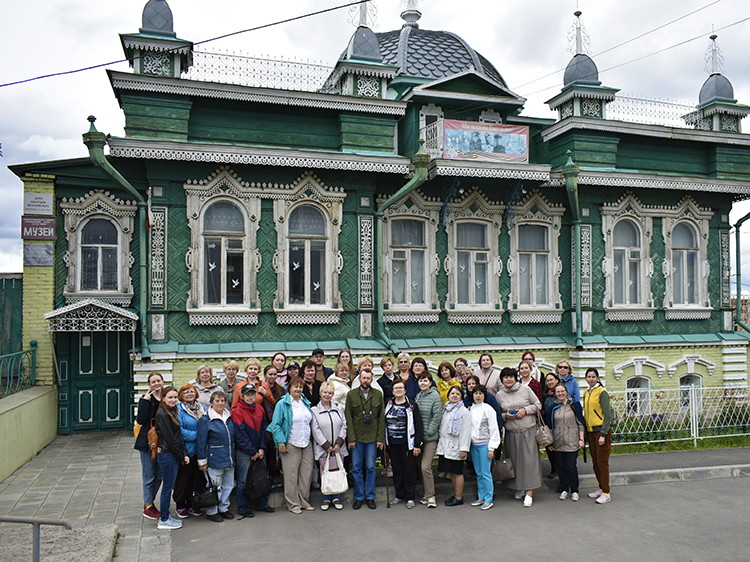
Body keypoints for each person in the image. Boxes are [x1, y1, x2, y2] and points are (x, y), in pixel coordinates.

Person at [496, 367, 543, 508]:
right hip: (511, 432)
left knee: (529, 462)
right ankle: (520, 487)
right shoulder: (499, 394)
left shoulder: (525, 389)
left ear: (515, 377)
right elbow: (498, 414)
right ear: (502, 379)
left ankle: (529, 492)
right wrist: (506, 416)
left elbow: (538, 405)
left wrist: (525, 410)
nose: (509, 379)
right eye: (506, 377)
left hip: (528, 430)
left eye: (511, 376)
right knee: (515, 463)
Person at [268, 376, 315, 514]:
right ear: (289, 388)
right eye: (295, 386)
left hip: (306, 442)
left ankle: (304, 501)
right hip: (290, 443)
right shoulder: (282, 404)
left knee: (306, 474)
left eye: (300, 387)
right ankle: (293, 504)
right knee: (291, 475)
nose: (298, 389)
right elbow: (275, 425)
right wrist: (281, 442)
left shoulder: (305, 402)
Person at [231, 383, 274, 518]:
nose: (250, 397)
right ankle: (243, 507)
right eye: (247, 395)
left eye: (252, 394)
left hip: (260, 451)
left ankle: (262, 504)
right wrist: (252, 451)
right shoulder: (237, 411)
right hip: (245, 453)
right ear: (242, 396)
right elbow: (240, 434)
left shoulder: (260, 409)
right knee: (243, 481)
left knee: (261, 477)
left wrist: (262, 448)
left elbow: (264, 430)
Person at [344, 370, 385, 510]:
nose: (366, 380)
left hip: (373, 438)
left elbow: (381, 419)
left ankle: (370, 496)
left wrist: (380, 438)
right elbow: (348, 418)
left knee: (371, 467)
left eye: (368, 378)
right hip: (357, 437)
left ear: (372, 379)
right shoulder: (352, 395)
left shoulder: (378, 395)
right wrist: (351, 438)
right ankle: (359, 496)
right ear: (359, 379)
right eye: (364, 378)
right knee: (356, 467)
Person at [197, 390, 236, 522]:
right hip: (215, 458)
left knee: (228, 485)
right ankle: (212, 511)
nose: (220, 403)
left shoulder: (229, 417)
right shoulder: (206, 419)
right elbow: (201, 441)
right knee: (215, 486)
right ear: (211, 403)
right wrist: (202, 461)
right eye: (217, 401)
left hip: (229, 457)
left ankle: (223, 508)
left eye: (222, 401)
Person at [154, 386, 190, 530]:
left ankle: (167, 516)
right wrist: (181, 456)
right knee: (167, 488)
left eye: (175, 397)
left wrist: (184, 453)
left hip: (172, 454)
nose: (173, 400)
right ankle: (163, 519)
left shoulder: (172, 412)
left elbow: (178, 437)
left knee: (169, 487)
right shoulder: (162, 414)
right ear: (163, 398)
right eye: (170, 397)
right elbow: (170, 439)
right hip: (167, 455)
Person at [385, 379, 423, 508]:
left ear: (405, 390)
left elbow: (418, 425)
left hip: (407, 444)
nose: (399, 390)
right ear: (392, 391)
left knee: (409, 470)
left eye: (401, 388)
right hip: (393, 443)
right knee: (397, 470)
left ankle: (410, 497)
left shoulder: (411, 405)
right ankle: (399, 495)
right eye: (396, 388)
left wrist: (417, 444)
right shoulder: (388, 404)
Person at [311, 381, 348, 511]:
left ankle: (336, 497)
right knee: (325, 473)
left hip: (338, 448)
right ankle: (326, 498)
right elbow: (315, 430)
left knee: (337, 472)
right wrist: (326, 445)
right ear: (320, 393)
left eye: (330, 393)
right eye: (325, 392)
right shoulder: (315, 411)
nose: (327, 395)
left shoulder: (338, 408)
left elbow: (344, 425)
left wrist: (338, 443)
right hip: (324, 449)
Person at [547, 383, 585, 502]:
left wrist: (581, 439)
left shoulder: (574, 405)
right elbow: (549, 426)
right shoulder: (553, 407)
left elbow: (581, 423)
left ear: (566, 391)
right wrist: (550, 443)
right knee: (561, 468)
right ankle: (564, 489)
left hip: (572, 442)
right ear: (555, 393)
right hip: (558, 443)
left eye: (562, 391)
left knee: (571, 467)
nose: (560, 394)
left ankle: (574, 490)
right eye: (558, 392)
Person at [173, 384, 206, 519]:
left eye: (192, 391)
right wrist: (199, 435)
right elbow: (179, 430)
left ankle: (192, 504)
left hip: (200, 451)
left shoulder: (201, 407)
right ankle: (180, 505)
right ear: (181, 395)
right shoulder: (179, 409)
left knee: (196, 480)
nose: (189, 394)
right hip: (187, 450)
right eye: (186, 392)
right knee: (183, 479)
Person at [437, 386, 472, 506]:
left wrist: (464, 449)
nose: (455, 396)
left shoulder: (464, 411)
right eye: (452, 393)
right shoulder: (446, 409)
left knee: (457, 472)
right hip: (447, 446)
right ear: (448, 395)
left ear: (461, 397)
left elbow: (466, 432)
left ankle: (459, 497)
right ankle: (456, 493)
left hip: (457, 447)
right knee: (451, 471)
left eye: (458, 394)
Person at [135, 372, 163, 521]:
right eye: (153, 382)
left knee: (159, 476)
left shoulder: (166, 398)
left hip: (163, 444)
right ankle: (148, 506)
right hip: (148, 443)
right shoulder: (146, 399)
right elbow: (141, 419)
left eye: (158, 380)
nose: (156, 384)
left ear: (162, 381)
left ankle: (149, 503)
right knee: (149, 476)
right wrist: (145, 402)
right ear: (149, 384)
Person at [583, 367, 613, 504]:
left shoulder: (602, 392)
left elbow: (607, 415)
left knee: (602, 463)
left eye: (593, 377)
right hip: (590, 432)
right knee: (595, 463)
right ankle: (601, 488)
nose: (591, 379)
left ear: (598, 378)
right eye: (589, 377)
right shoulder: (586, 392)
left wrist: (603, 434)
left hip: (601, 432)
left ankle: (606, 492)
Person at [468, 384, 501, 510]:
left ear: (484, 395)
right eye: (476, 393)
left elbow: (494, 429)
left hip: (485, 445)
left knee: (486, 473)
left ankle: (489, 499)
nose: (478, 396)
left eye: (480, 393)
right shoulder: (470, 409)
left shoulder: (488, 409)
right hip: (474, 445)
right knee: (479, 473)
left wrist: (492, 448)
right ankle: (481, 496)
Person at [415, 372, 442, 508]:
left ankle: (431, 496)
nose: (423, 383)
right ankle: (426, 494)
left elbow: (437, 416)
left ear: (430, 383)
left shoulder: (434, 396)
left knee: (426, 467)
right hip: (419, 439)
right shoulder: (418, 396)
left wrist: (429, 431)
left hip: (430, 438)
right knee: (420, 467)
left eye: (425, 381)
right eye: (420, 381)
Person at [541, 372, 561, 479]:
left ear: (557, 380)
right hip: (548, 425)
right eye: (548, 380)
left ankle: (560, 471)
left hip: (559, 425)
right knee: (549, 447)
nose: (549, 382)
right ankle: (554, 469)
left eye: (551, 380)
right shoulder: (546, 394)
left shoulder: (561, 392)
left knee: (558, 449)